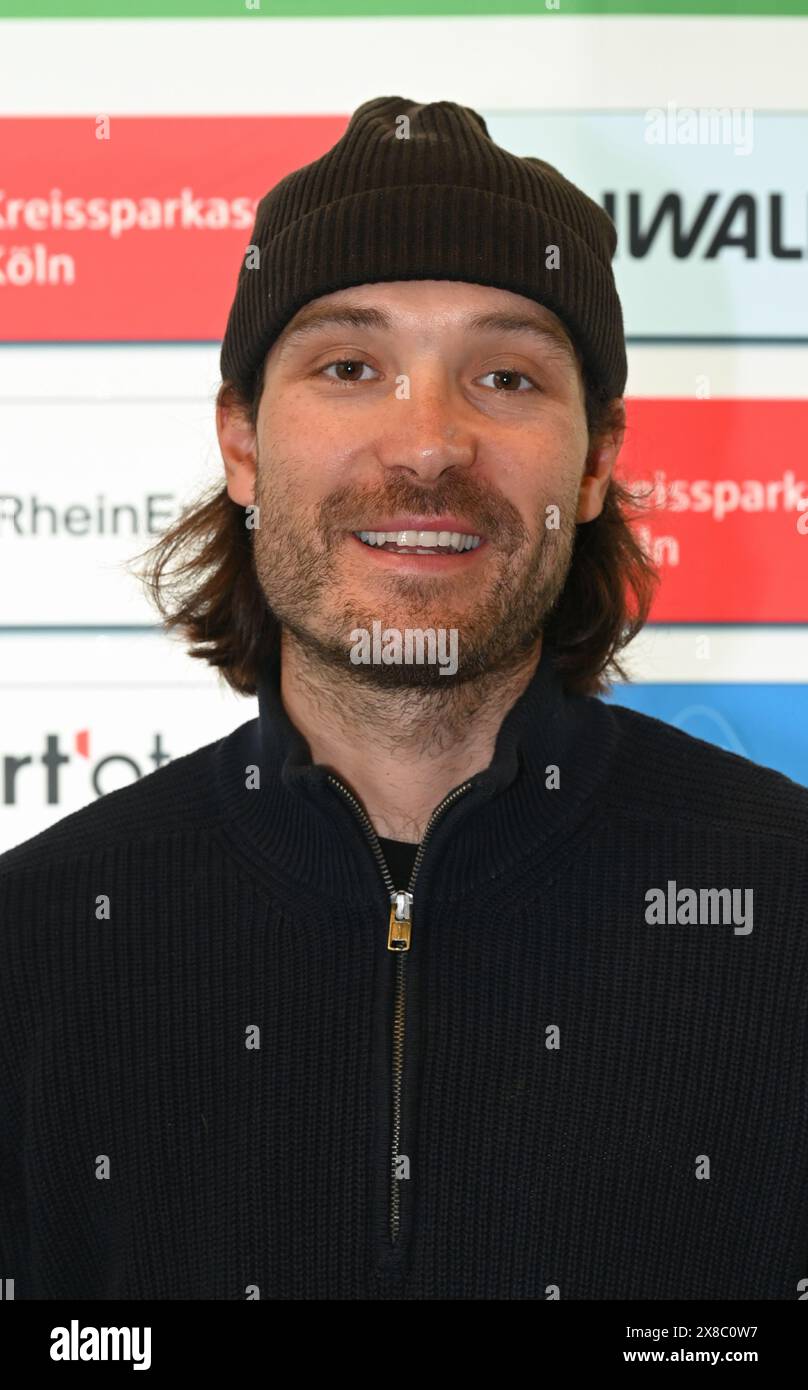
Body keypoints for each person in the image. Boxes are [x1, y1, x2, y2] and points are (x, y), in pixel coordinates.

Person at [1, 96, 806, 1301]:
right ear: (242, 446)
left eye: (503, 374)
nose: (427, 444)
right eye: (349, 366)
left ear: (592, 464)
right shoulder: (38, 945)